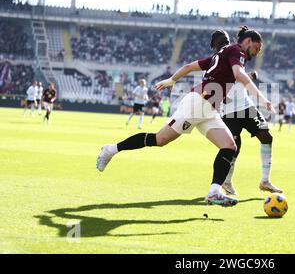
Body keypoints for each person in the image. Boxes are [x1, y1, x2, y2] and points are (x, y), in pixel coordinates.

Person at [96, 26, 275, 207]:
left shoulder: (219, 55)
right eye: (257, 48)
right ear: (248, 41)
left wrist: (172, 80)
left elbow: (190, 67)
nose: (257, 53)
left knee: (229, 146)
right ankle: (111, 149)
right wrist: (262, 98)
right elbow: (238, 74)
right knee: (160, 139)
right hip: (197, 105)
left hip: (209, 110)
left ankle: (214, 192)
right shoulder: (237, 51)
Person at [207, 29, 282, 195]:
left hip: (245, 106)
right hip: (228, 111)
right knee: (233, 147)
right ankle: (225, 181)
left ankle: (265, 180)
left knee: (266, 136)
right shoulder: (220, 58)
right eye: (257, 47)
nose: (257, 52)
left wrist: (249, 76)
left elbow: (236, 76)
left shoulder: (236, 53)